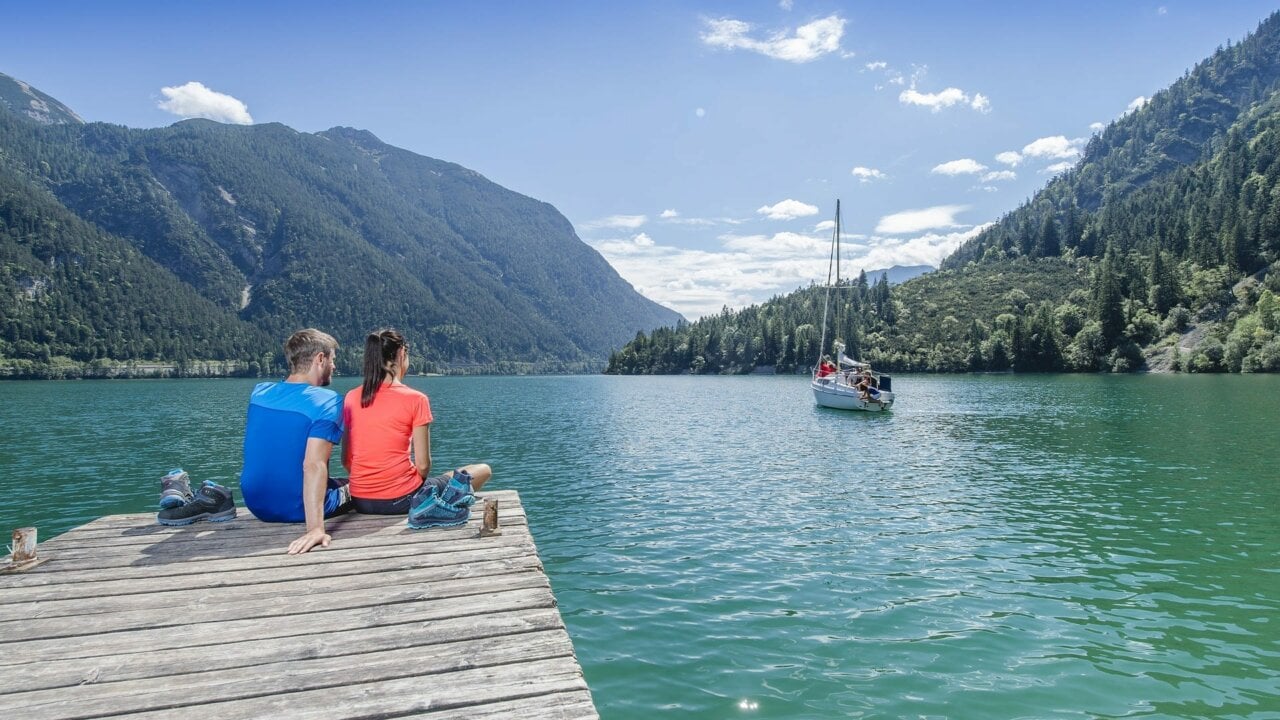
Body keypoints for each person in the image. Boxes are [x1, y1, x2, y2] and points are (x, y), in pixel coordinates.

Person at [342, 329, 492, 528]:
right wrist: (407, 487)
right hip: (403, 499)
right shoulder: (416, 399)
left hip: (359, 499)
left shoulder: (351, 398)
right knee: (483, 470)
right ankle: (428, 502)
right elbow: (422, 465)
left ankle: (436, 499)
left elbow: (346, 460)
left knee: (443, 481)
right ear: (401, 353)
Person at [238, 329, 355, 554]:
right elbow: (313, 464)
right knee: (363, 487)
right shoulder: (328, 402)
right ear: (320, 359)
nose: (334, 366)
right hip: (295, 507)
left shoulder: (260, 392)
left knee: (338, 481)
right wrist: (315, 529)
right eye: (332, 359)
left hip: (256, 504)